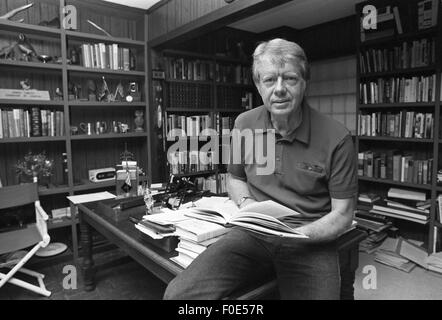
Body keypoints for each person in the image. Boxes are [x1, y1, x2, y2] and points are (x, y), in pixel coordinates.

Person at [164, 38, 357, 300]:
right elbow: (234, 177)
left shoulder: (337, 137)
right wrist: (246, 206)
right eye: (269, 80)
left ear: (304, 82)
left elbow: (343, 215)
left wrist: (297, 235)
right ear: (258, 85)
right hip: (255, 231)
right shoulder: (245, 123)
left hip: (309, 237)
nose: (279, 89)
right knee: (179, 296)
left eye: (289, 78)